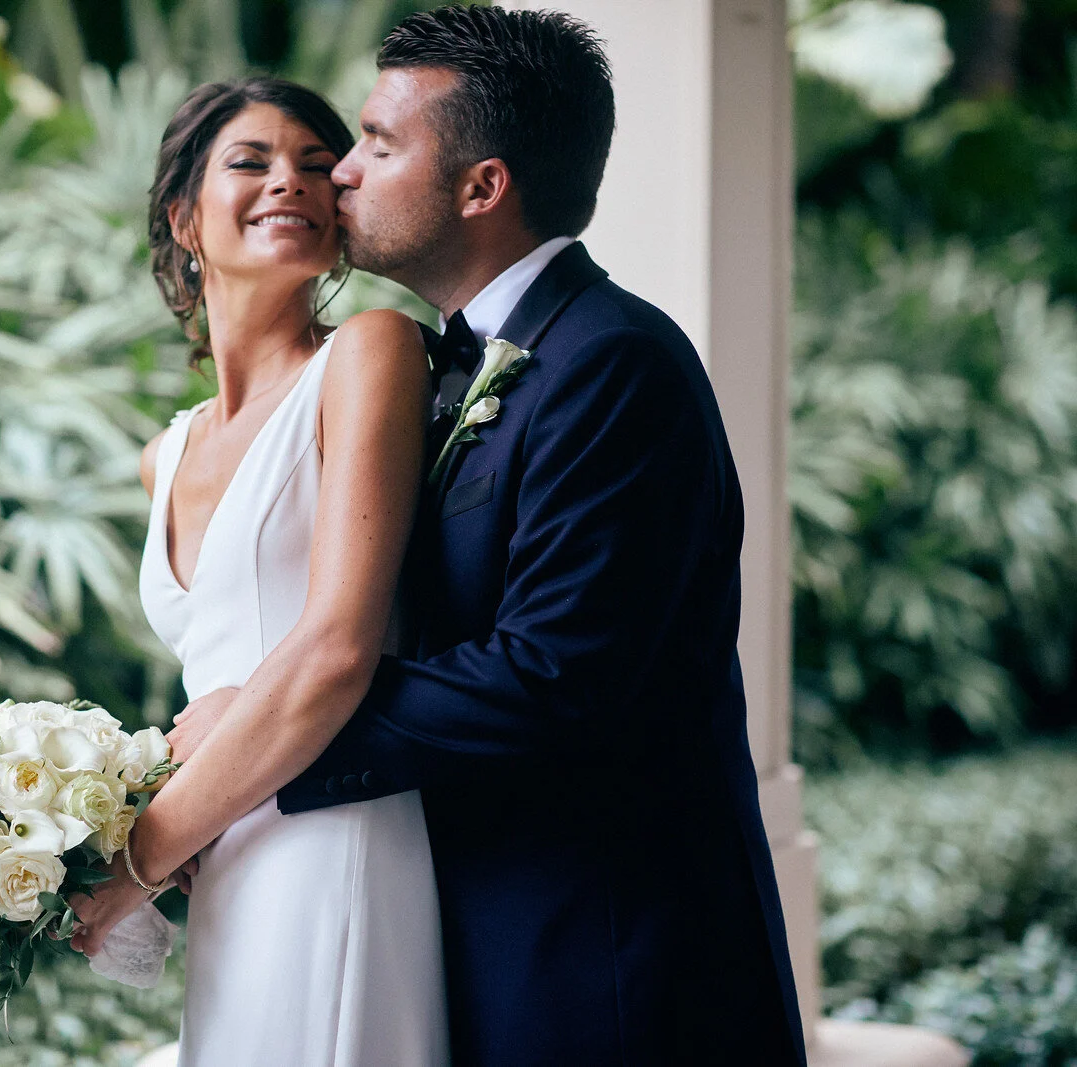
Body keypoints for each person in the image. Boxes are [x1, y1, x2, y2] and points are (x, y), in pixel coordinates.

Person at [161, 6, 810, 1066]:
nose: (343, 177)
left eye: (376, 143)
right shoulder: (441, 365)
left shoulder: (611, 362)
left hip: (606, 962)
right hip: (459, 927)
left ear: (481, 186)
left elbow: (551, 673)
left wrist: (262, 744)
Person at [68, 78, 449, 1066]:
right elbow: (215, 669)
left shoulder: (368, 353)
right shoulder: (165, 453)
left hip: (336, 829)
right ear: (184, 218)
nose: (293, 181)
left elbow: (333, 649)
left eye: (319, 167)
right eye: (252, 162)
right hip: (227, 849)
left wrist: (138, 858)